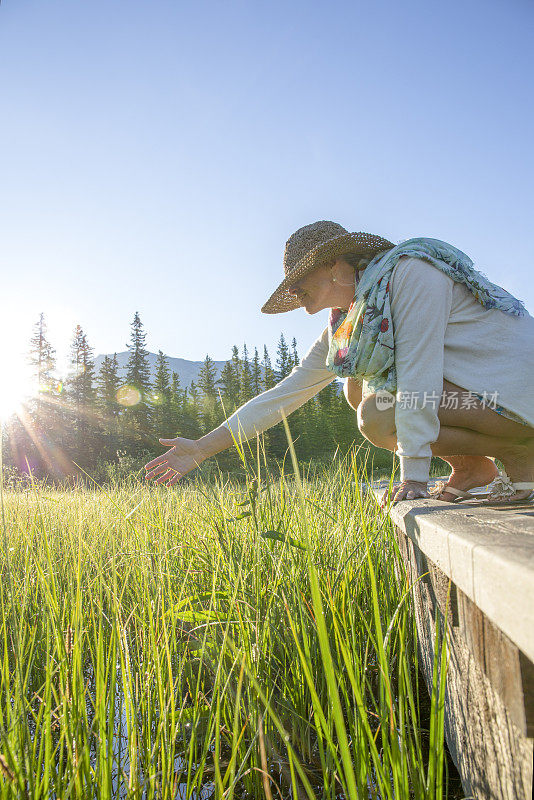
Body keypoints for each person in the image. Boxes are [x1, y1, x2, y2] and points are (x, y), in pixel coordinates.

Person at [145, 221, 534, 507]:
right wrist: (200, 448)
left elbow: (420, 376)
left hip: (516, 394)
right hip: (483, 400)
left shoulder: (412, 274)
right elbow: (285, 394)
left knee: (376, 411)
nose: (293, 292)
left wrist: (413, 474)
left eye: (298, 279)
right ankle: (472, 467)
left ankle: (521, 452)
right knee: (359, 390)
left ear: (333, 265)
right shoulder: (348, 326)